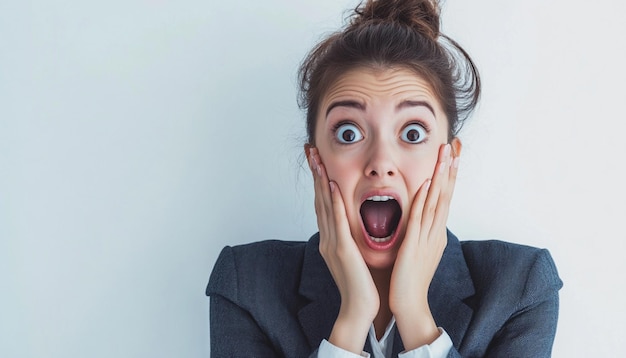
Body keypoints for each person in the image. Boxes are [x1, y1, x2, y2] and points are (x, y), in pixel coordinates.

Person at [206, 0, 562, 356]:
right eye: (348, 133)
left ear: (449, 158)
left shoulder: (521, 287)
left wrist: (414, 313)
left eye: (411, 133)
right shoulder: (245, 285)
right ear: (315, 159)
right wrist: (352, 317)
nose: (380, 163)